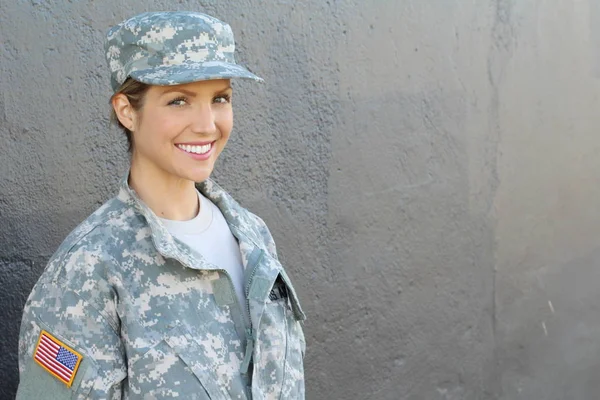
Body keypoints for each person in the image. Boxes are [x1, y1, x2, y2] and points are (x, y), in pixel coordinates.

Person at [16, 11, 306, 400]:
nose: (207, 124)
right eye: (179, 101)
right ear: (126, 111)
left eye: (220, 98)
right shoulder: (88, 267)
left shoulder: (252, 236)